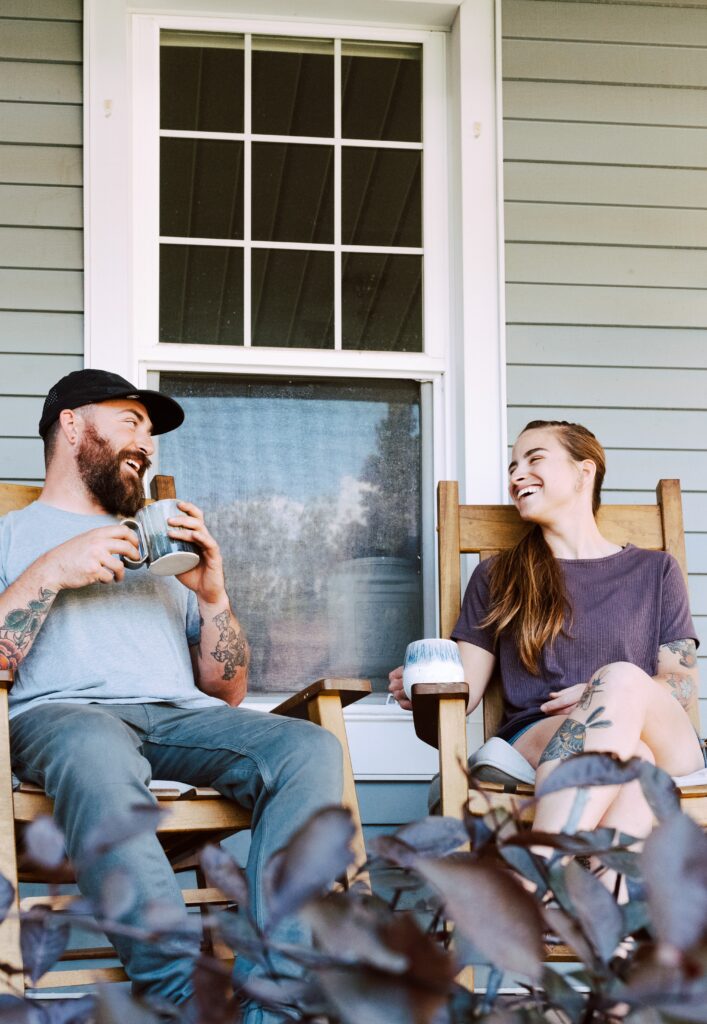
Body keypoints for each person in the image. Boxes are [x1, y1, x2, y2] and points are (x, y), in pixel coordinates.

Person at [0, 368, 344, 1021]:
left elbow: (227, 688)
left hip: (179, 718)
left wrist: (213, 595)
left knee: (307, 750)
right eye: (130, 421)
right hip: (64, 718)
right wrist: (50, 573)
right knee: (95, 746)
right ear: (71, 423)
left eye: (151, 432)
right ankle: (181, 992)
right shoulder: (11, 536)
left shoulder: (160, 548)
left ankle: (271, 994)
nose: (147, 443)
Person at [390, 420, 705, 847]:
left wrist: (606, 691)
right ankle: (576, 902)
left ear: (584, 471)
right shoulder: (498, 576)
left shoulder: (656, 571)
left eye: (534, 459)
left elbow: (681, 684)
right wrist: (424, 693)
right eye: (512, 467)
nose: (517, 475)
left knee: (623, 680)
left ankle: (537, 866)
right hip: (543, 734)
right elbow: (462, 696)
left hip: (667, 739)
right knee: (635, 764)